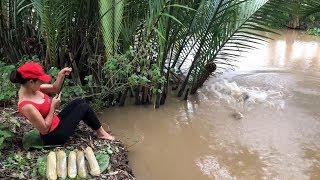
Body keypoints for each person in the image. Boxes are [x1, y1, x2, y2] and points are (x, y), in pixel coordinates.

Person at [10, 61, 115, 145]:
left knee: (80, 101)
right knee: (83, 107)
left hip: (56, 122)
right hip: (53, 136)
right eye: (40, 81)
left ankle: (100, 132)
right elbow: (44, 129)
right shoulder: (26, 105)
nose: (43, 83)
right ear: (31, 82)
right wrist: (53, 107)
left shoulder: (33, 88)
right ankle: (102, 134)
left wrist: (60, 75)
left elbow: (55, 89)